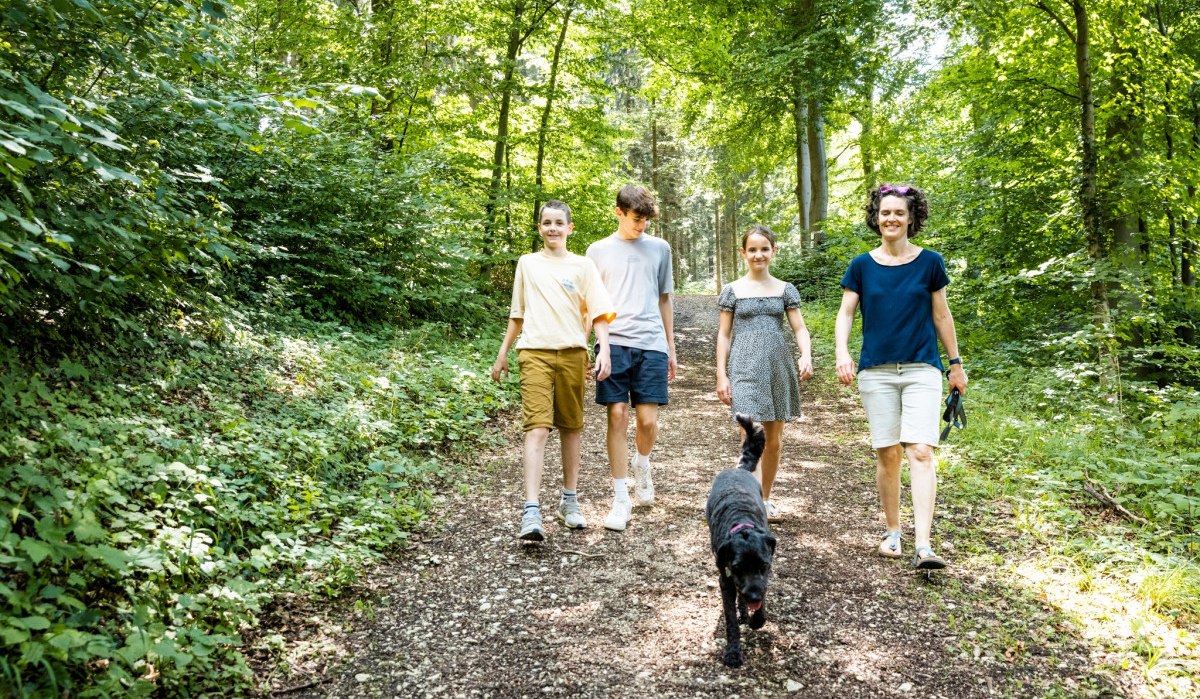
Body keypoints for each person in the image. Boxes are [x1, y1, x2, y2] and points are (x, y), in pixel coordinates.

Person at [834, 184, 968, 569]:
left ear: (912, 218)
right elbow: (846, 314)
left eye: (898, 213)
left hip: (922, 368)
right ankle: (894, 531)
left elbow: (942, 316)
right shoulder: (861, 265)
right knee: (888, 452)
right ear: (876, 218)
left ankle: (924, 545)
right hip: (875, 371)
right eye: (885, 212)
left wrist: (955, 364)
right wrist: (843, 352)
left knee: (921, 450)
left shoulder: (930, 263)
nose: (890, 218)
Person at [492, 200, 615, 542]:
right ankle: (531, 511)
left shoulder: (583, 265)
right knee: (537, 427)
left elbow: (600, 312)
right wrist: (502, 354)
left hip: (573, 353)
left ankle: (569, 501)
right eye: (546, 223)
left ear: (569, 228)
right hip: (533, 352)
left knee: (571, 427)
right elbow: (517, 313)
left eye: (559, 223)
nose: (552, 229)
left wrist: (603, 349)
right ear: (539, 227)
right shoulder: (527, 264)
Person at [586, 185, 677, 532]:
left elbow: (665, 298)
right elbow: (590, 303)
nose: (642, 226)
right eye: (637, 219)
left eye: (647, 220)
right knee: (617, 414)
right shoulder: (597, 251)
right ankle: (620, 497)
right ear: (619, 213)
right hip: (613, 343)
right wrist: (586, 345)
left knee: (648, 422)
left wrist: (671, 345)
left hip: (652, 342)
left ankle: (642, 463)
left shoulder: (660, 248)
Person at [715, 225, 813, 522]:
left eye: (764, 249)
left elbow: (799, 328)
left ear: (773, 251)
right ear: (743, 253)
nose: (759, 254)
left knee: (774, 440)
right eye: (753, 249)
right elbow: (723, 335)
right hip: (742, 369)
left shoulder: (785, 290)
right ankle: (744, 503)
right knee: (749, 439)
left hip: (777, 369)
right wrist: (721, 374)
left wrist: (805, 355)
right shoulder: (732, 291)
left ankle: (765, 499)